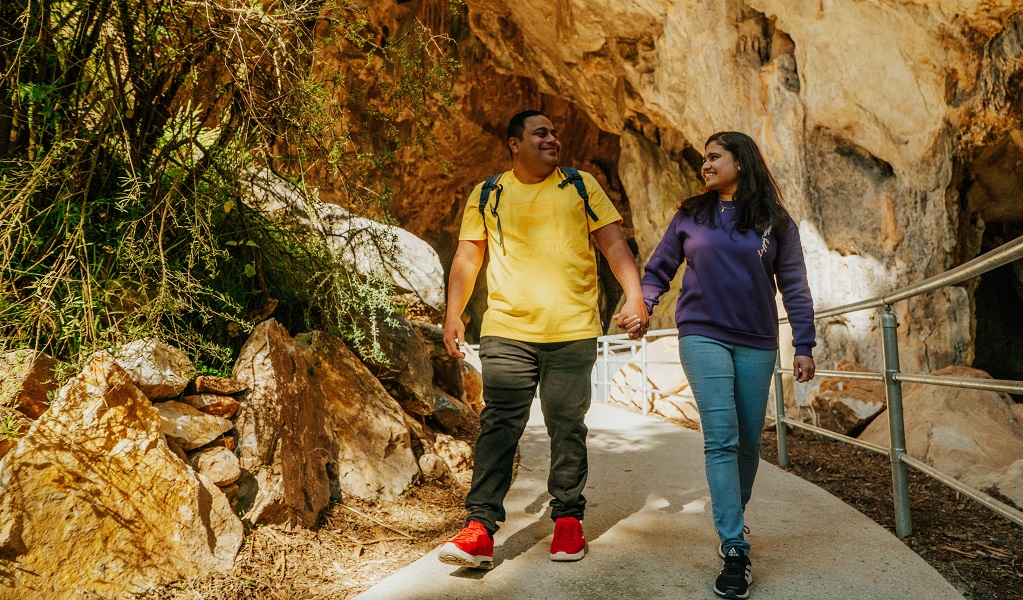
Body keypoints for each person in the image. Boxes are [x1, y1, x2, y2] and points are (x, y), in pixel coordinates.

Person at [438, 109, 649, 570]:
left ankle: (568, 521)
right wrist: (454, 313)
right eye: (542, 133)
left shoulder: (579, 184)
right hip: (507, 330)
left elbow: (614, 245)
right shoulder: (489, 193)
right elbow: (468, 258)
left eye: (554, 132)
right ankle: (479, 529)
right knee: (500, 426)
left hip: (572, 332)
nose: (553, 139)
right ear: (515, 144)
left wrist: (635, 296)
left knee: (566, 425)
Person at [634, 131, 816, 599]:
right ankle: (734, 546)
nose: (705, 166)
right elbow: (658, 269)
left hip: (757, 341)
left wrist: (804, 343)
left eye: (715, 157)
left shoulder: (776, 222)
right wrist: (644, 306)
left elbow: (794, 284)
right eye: (703, 159)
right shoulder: (690, 215)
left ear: (741, 161)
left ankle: (732, 513)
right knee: (722, 436)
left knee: (750, 443)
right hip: (702, 334)